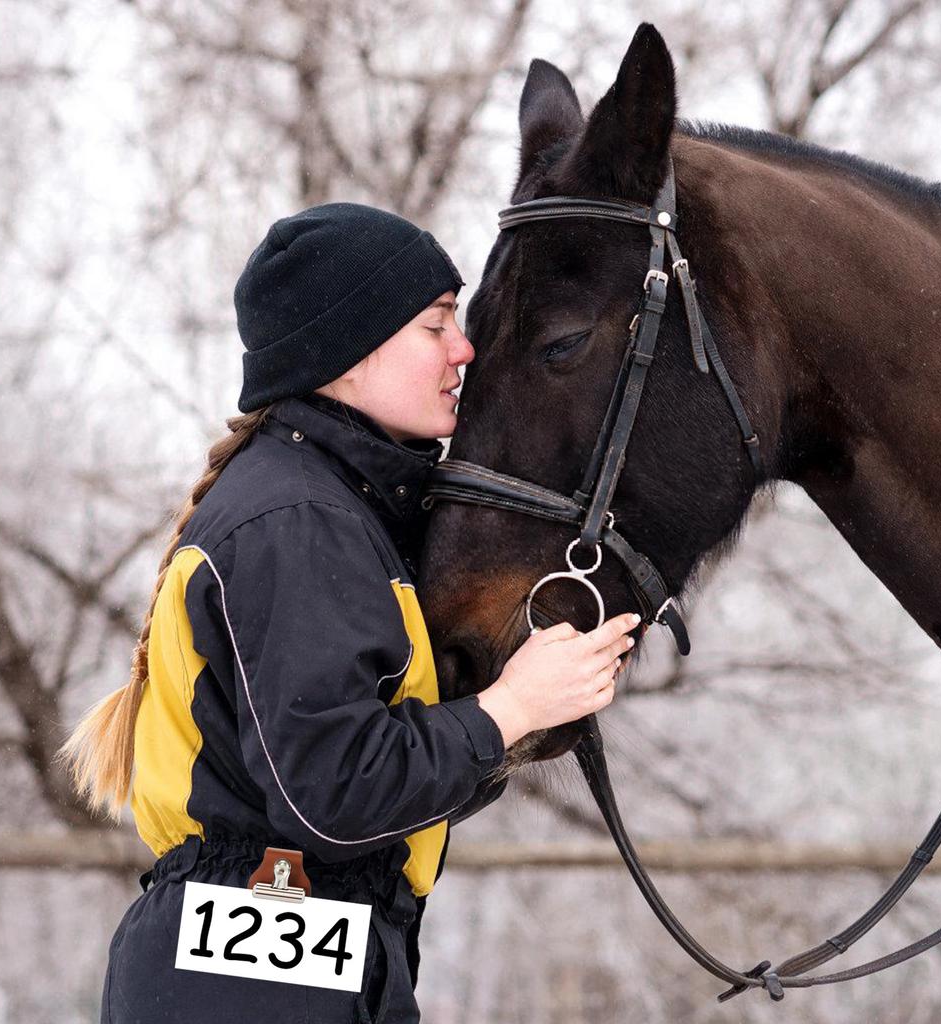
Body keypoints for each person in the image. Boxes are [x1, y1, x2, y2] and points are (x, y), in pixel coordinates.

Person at [58, 202, 638, 1023]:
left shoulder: (338, 513)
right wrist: (508, 710)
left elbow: (375, 798)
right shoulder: (300, 522)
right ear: (350, 350)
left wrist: (528, 709)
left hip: (290, 967)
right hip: (250, 987)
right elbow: (329, 796)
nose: (463, 349)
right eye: (437, 325)